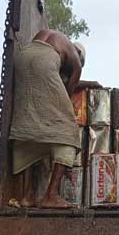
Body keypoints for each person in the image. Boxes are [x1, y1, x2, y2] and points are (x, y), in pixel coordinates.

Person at [9, 29, 99, 209]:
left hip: (22, 58)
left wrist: (88, 83)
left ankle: (27, 197)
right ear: (79, 55)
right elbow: (66, 93)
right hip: (44, 62)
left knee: (28, 123)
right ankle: (51, 195)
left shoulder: (56, 40)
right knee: (67, 129)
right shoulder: (76, 61)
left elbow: (50, 77)